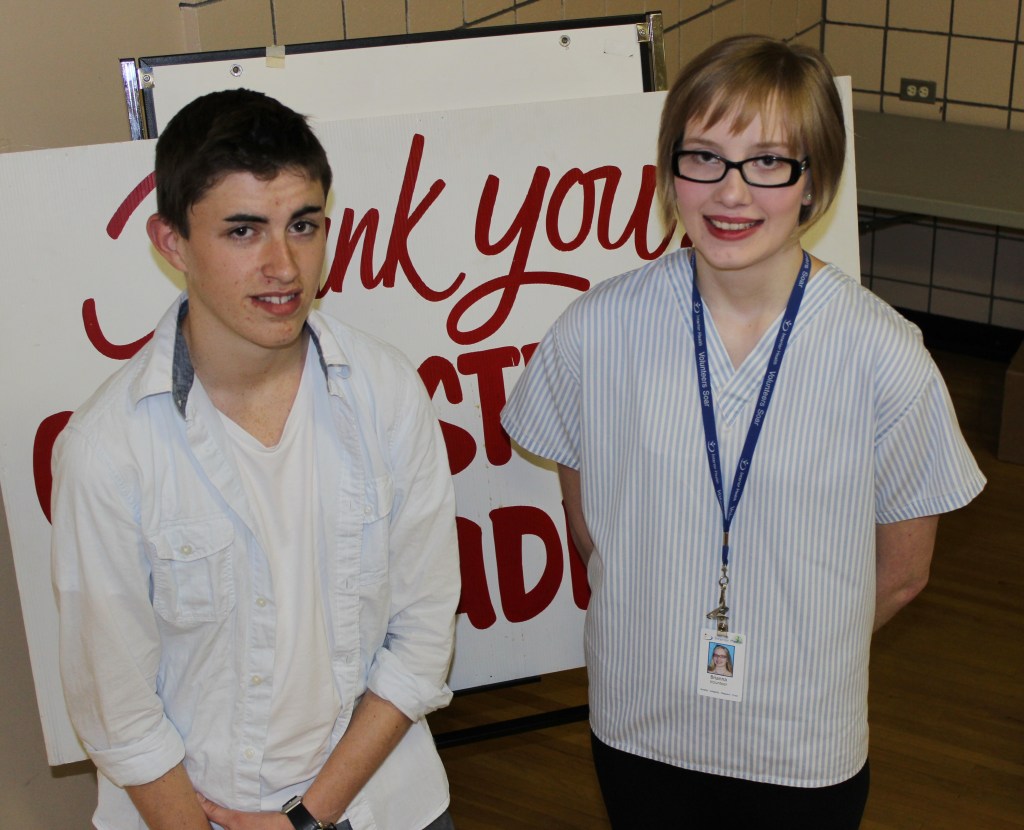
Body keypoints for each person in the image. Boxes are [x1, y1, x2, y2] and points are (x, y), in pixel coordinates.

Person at [501, 35, 985, 828]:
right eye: (704, 157)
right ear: (670, 172)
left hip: (801, 743)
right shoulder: (596, 330)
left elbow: (902, 574)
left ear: (814, 182)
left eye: (768, 162)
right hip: (639, 723)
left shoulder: (882, 353)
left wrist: (800, 659)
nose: (730, 193)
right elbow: (591, 529)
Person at [50, 89, 460, 830]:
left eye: (303, 225)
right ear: (172, 242)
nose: (283, 265)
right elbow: (119, 712)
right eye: (243, 231)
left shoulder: (388, 392)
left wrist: (308, 818)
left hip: (386, 806)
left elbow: (423, 639)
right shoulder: (108, 449)